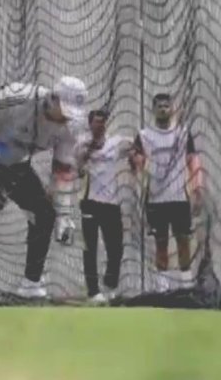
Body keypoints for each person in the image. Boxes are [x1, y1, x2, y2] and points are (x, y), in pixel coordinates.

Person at [0, 78, 88, 299]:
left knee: (45, 213)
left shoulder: (71, 128)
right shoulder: (19, 100)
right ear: (52, 98)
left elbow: (62, 169)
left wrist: (64, 214)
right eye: (64, 109)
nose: (66, 117)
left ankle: (31, 284)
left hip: (12, 155)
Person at [131, 93, 203, 289]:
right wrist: (135, 160)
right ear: (153, 109)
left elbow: (193, 161)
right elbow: (135, 164)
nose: (163, 109)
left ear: (172, 108)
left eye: (166, 105)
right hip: (155, 198)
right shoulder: (144, 135)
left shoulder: (183, 134)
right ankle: (162, 286)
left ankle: (186, 282)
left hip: (179, 196)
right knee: (160, 242)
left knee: (183, 240)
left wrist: (197, 188)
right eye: (159, 106)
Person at [75, 108, 130, 304]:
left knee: (115, 247)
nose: (100, 125)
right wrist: (89, 150)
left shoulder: (115, 143)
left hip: (111, 203)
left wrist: (135, 157)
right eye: (97, 121)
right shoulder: (82, 143)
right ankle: (93, 292)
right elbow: (79, 170)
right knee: (89, 248)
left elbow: (136, 146)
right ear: (90, 124)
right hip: (89, 202)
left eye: (103, 122)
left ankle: (111, 285)